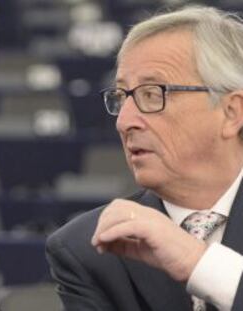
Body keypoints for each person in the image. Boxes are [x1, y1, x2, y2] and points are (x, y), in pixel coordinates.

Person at [46, 5, 243, 311]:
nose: (124, 122)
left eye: (152, 94)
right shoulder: (90, 249)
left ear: (231, 113)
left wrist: (199, 264)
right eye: (121, 97)